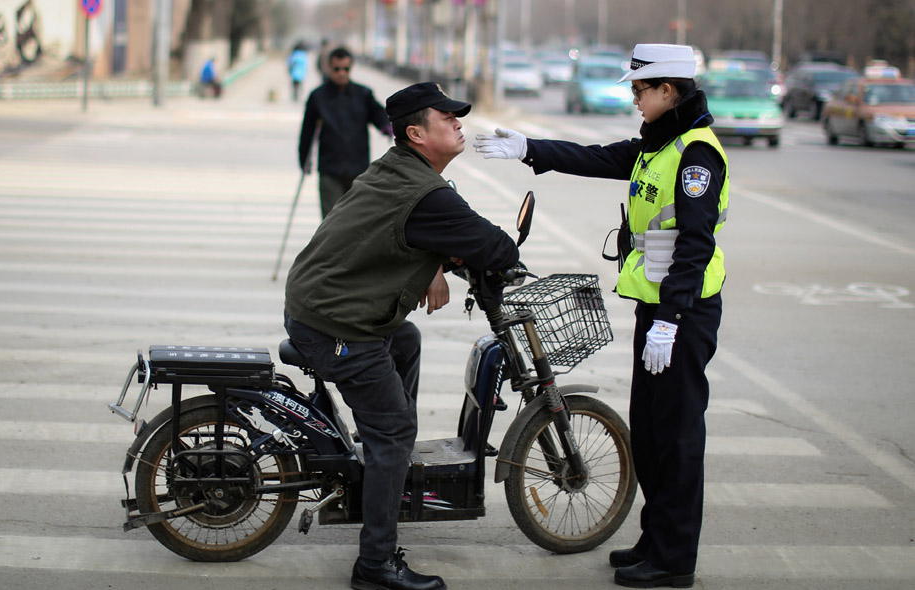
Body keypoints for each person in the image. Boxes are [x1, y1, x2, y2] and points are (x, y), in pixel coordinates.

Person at [473, 44, 727, 589]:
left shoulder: (696, 155)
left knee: (678, 436)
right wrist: (527, 149)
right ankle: (655, 539)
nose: (634, 100)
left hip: (683, 316)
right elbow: (597, 157)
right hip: (656, 309)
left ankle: (675, 559)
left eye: (640, 91)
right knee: (653, 433)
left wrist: (672, 320)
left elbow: (696, 245)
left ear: (668, 90)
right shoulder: (659, 146)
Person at [285, 82, 520, 590]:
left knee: (407, 340)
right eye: (448, 118)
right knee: (394, 432)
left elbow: (410, 232)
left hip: (324, 307)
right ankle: (374, 565)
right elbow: (494, 246)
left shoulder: (399, 170)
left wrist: (435, 263)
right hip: (334, 323)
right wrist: (472, 261)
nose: (459, 123)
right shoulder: (426, 192)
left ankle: (387, 468)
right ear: (417, 133)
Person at [298, 47, 392, 218]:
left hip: (358, 168)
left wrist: (387, 127)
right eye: (336, 69)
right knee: (331, 220)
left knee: (357, 220)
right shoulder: (318, 96)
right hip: (330, 168)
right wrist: (304, 159)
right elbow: (307, 131)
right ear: (328, 67)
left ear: (351, 68)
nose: (341, 73)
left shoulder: (363, 94)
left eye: (345, 69)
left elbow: (379, 114)